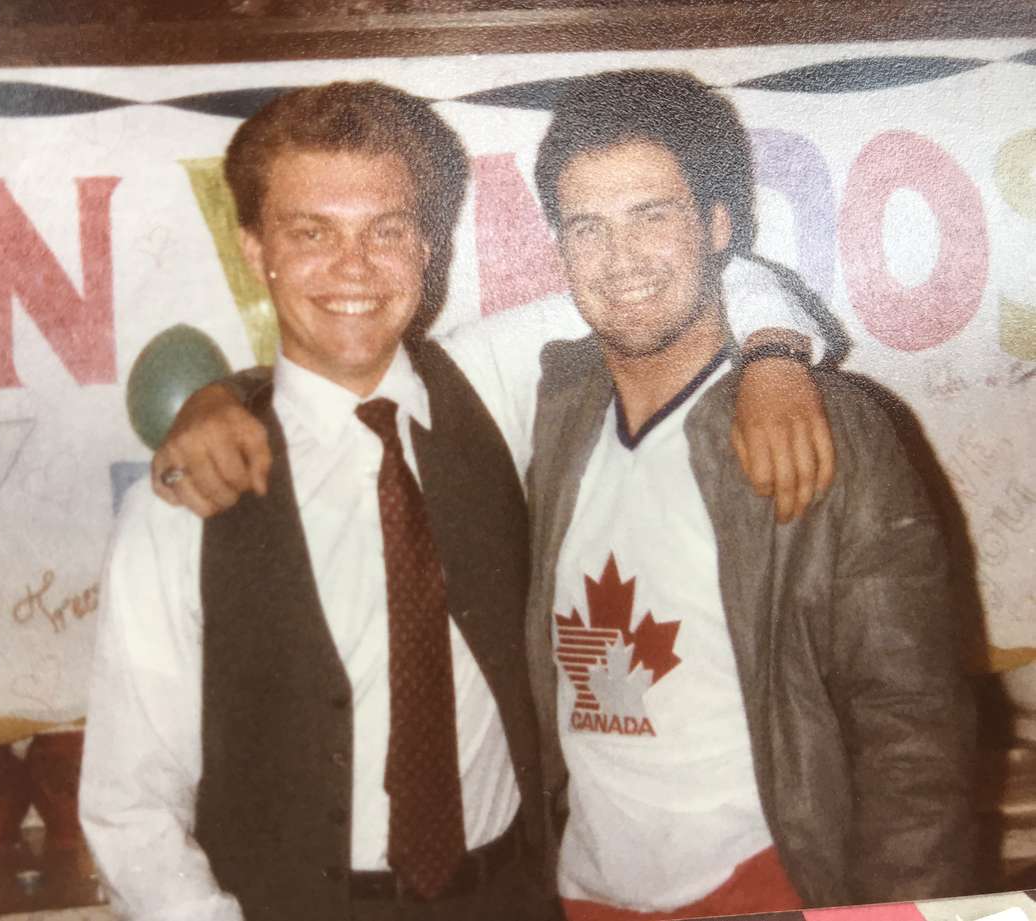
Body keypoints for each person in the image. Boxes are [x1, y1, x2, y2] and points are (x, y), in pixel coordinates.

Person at [93, 79, 833, 921]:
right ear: (254, 248)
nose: (354, 268)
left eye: (388, 229)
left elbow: (671, 280)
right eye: (312, 232)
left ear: (428, 244)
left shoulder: (491, 381)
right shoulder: (187, 497)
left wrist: (774, 353)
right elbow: (129, 807)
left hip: (516, 898)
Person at [521, 71, 974, 918]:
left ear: (719, 225)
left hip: (767, 884)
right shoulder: (550, 404)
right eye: (588, 226)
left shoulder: (833, 426)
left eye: (652, 215)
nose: (619, 259)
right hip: (580, 891)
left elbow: (911, 723)